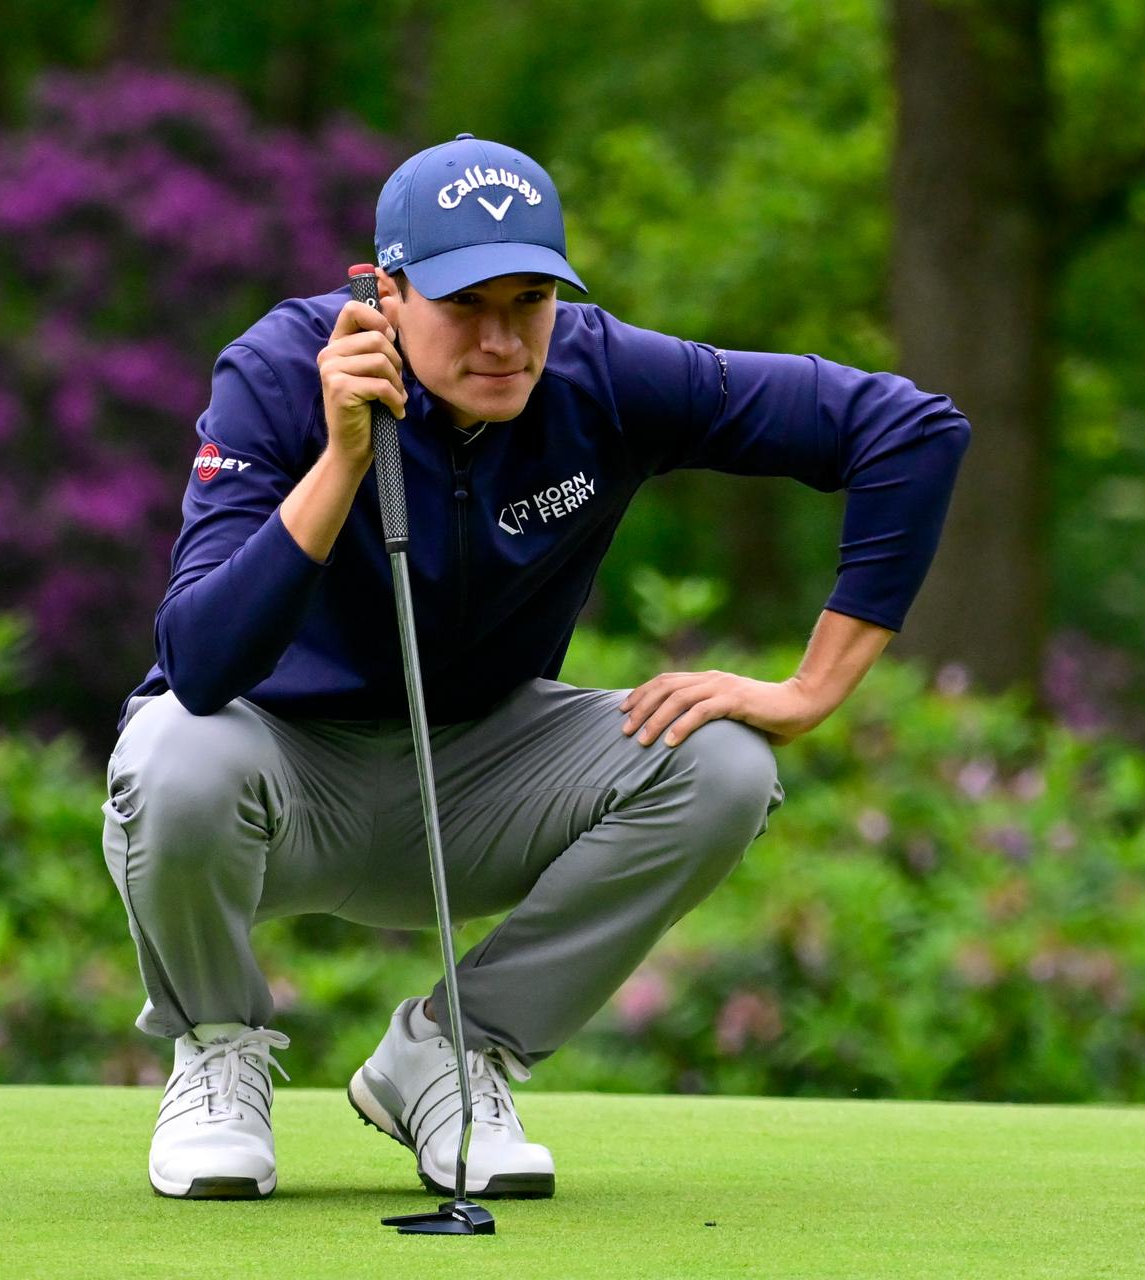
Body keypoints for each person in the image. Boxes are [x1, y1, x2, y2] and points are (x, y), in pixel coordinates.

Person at [101, 133, 970, 1201]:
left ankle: (453, 1051)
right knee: (174, 749)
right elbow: (198, 659)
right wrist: (341, 460)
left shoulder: (598, 374)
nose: (506, 341)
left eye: (531, 300)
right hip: (276, 781)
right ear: (386, 290)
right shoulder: (281, 372)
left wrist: (809, 689)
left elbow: (909, 431)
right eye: (467, 305)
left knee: (726, 766)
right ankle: (218, 1050)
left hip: (480, 778)